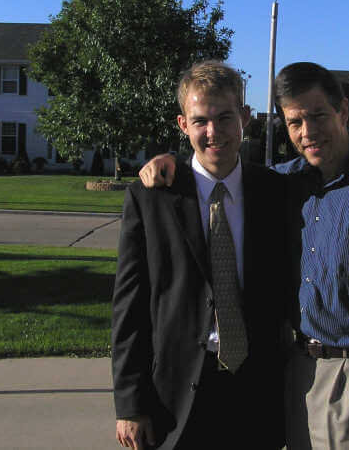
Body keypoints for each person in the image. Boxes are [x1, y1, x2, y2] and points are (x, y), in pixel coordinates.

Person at [139, 61, 349, 450]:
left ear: (343, 111)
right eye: (294, 122)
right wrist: (170, 162)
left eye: (318, 115)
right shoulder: (284, 183)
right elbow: (221, 165)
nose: (308, 132)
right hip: (295, 374)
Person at [112, 61, 287, 450]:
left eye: (225, 118)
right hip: (175, 397)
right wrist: (129, 403)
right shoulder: (152, 198)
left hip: (257, 391)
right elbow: (130, 307)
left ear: (245, 117)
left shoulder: (276, 192)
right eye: (200, 120)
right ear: (182, 124)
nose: (213, 132)